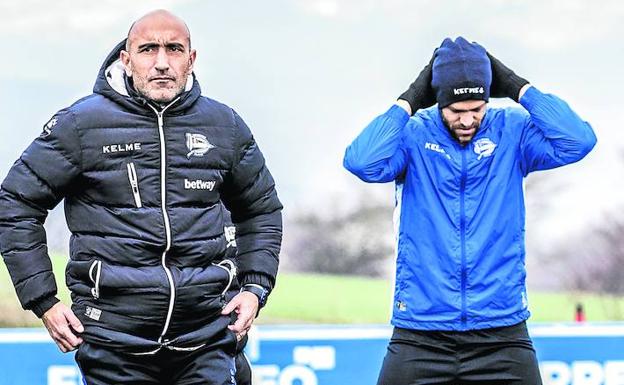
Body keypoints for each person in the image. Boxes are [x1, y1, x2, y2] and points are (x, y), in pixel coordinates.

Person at [0, 9, 282, 385]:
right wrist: (43, 301)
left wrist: (255, 287)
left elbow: (261, 211)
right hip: (112, 341)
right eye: (149, 49)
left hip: (207, 338)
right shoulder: (81, 124)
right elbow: (16, 203)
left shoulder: (224, 125)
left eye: (174, 49)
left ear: (191, 59)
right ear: (126, 59)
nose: (162, 62)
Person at [344, 37, 596, 385]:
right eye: (456, 112)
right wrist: (410, 99)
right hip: (421, 331)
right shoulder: (414, 135)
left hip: (502, 332)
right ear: (437, 102)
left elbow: (578, 140)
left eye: (477, 109)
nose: (467, 120)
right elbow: (361, 162)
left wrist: (516, 86)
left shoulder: (513, 132)